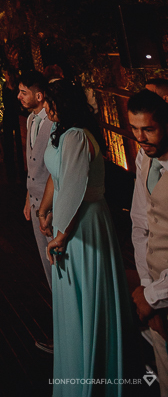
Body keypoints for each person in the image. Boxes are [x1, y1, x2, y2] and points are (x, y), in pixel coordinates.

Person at [38, 79, 132, 394]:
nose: (46, 108)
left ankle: (89, 381)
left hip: (83, 224)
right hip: (67, 220)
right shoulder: (63, 131)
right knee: (72, 300)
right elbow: (57, 177)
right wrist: (44, 209)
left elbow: (75, 188)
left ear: (65, 105)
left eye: (50, 102)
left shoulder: (77, 136)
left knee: (85, 299)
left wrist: (61, 235)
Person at [128, 88, 168, 394]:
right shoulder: (144, 156)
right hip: (154, 293)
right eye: (134, 129)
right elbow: (140, 222)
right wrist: (144, 284)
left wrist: (151, 297)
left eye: (149, 129)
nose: (141, 138)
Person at [17, 71, 53, 293]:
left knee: (56, 258)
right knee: (44, 259)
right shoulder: (31, 120)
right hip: (34, 201)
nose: (19, 97)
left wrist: (46, 208)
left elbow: (53, 169)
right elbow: (33, 165)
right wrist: (28, 197)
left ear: (39, 96)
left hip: (51, 204)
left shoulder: (53, 122)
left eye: (24, 92)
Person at [1, 66, 24, 184]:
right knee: (8, 142)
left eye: (6, 74)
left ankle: (21, 168)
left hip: (16, 115)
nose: (5, 76)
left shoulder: (17, 87)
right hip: (8, 115)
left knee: (19, 142)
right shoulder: (5, 86)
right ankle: (10, 170)